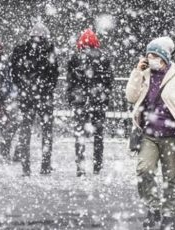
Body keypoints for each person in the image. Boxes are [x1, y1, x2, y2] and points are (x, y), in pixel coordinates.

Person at [125, 37, 175, 229]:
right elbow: (130, 97)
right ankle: (153, 208)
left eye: (154, 55)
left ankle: (169, 215)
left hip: (173, 137)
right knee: (144, 170)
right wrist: (137, 72)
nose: (151, 59)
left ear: (164, 57)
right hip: (149, 135)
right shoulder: (144, 74)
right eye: (148, 55)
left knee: (171, 177)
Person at [11, 22, 59, 176]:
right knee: (46, 132)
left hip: (26, 97)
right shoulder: (49, 50)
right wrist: (46, 89)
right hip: (44, 97)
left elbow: (14, 73)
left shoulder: (20, 50)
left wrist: (24, 88)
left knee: (25, 130)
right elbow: (54, 74)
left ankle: (26, 167)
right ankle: (45, 165)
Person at [67, 28, 113, 176]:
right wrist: (104, 97)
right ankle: (97, 166)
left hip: (80, 101)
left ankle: (80, 167)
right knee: (98, 135)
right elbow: (108, 81)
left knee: (79, 134)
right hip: (98, 101)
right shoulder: (104, 58)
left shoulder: (75, 58)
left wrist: (72, 98)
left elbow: (70, 81)